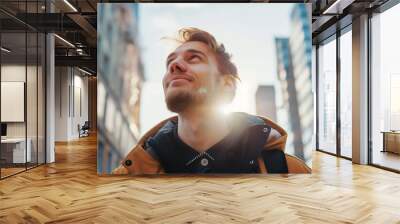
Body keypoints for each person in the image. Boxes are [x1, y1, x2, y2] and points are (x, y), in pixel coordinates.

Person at [113, 27, 311, 174]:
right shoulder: (128, 174)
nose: (174, 65)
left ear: (227, 85)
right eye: (169, 62)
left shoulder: (289, 170)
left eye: (194, 58)